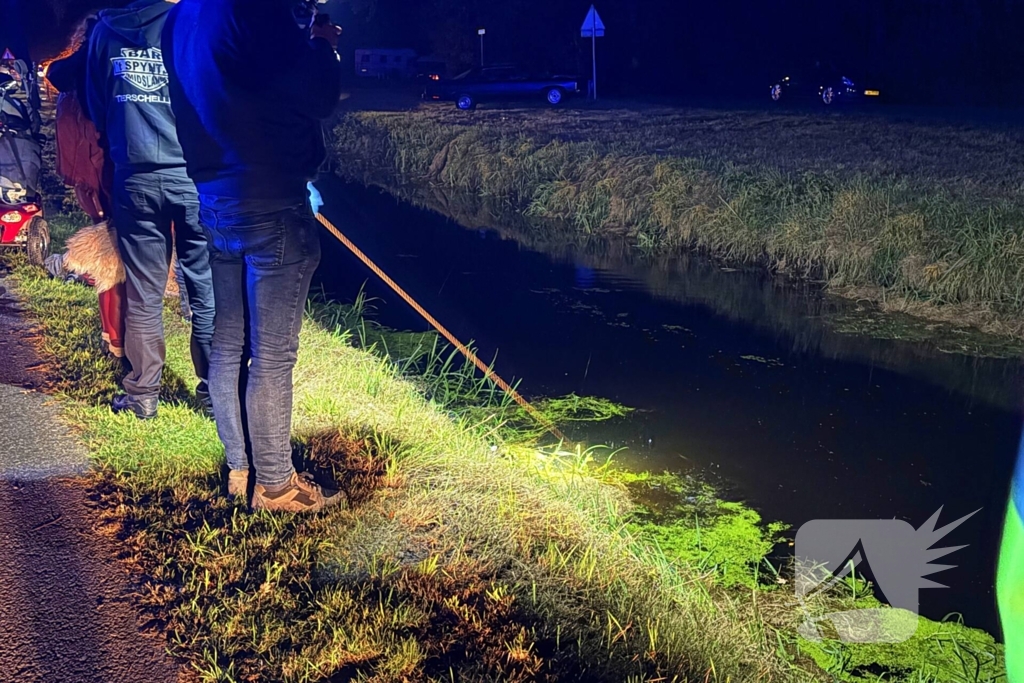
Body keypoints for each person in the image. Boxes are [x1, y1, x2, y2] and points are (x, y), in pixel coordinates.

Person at [164, 0, 343, 512]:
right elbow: (316, 95)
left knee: (227, 342)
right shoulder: (256, 9)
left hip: (215, 198)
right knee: (272, 355)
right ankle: (276, 484)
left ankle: (240, 467)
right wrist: (322, 46)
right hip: (271, 198)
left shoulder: (179, 18)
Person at [85, 0, 215, 420]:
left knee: (144, 291)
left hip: (135, 175)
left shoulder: (105, 32)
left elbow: (95, 103)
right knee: (204, 286)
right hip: (194, 176)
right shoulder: (195, 23)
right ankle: (215, 391)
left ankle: (143, 396)